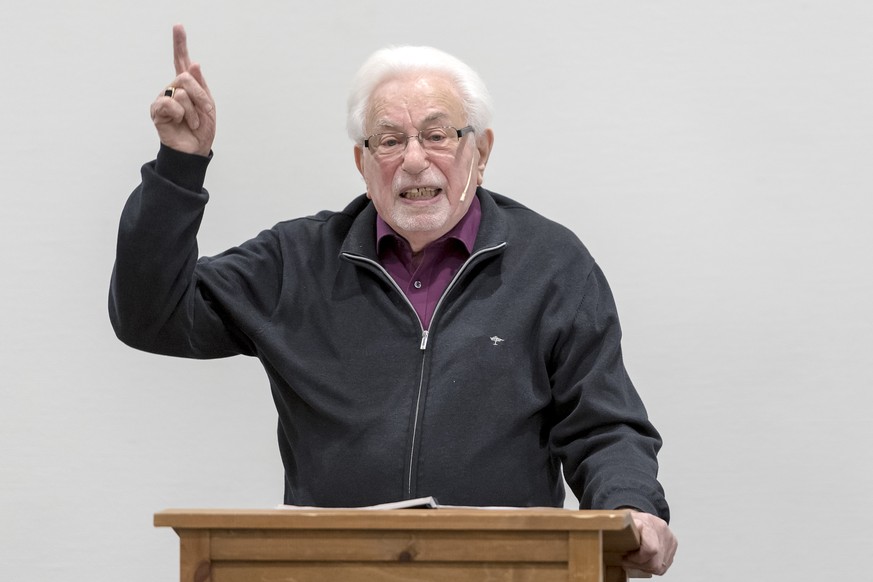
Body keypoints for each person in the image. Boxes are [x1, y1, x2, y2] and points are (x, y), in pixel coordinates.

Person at [110, 24, 677, 575]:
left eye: (437, 135)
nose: (413, 159)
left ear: (480, 152)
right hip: (329, 572)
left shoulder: (552, 264)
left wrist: (633, 507)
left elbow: (604, 426)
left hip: (507, 571)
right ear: (362, 162)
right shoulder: (297, 261)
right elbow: (150, 315)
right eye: (389, 140)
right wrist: (179, 165)